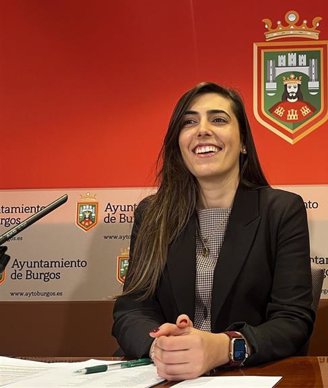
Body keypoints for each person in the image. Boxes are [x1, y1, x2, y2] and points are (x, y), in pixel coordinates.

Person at [113, 82, 314, 381]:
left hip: (245, 376)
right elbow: (130, 310)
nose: (202, 130)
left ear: (243, 141)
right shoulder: (152, 213)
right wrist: (159, 347)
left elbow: (292, 321)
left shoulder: (282, 210)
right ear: (178, 143)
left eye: (218, 119)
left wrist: (224, 347)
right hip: (167, 376)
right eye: (189, 122)